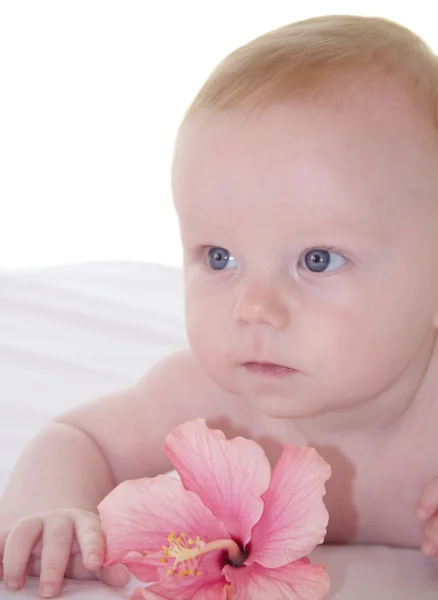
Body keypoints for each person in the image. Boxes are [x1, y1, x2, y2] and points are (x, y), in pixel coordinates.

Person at [2, 13, 438, 599]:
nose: (252, 308)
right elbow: (77, 436)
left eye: (317, 260)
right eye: (219, 257)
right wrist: (52, 507)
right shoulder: (210, 404)